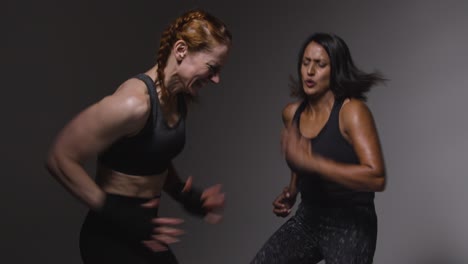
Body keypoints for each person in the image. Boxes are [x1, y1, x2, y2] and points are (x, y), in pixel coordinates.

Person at [45, 9, 231, 264]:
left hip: (142, 233)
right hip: (109, 237)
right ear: (180, 50)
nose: (217, 79)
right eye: (213, 67)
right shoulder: (134, 103)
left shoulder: (177, 99)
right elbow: (59, 157)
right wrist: (116, 212)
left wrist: (183, 194)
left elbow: (151, 156)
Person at [251, 32, 386, 264]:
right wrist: (292, 190)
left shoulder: (351, 112)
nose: (310, 72)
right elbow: (299, 158)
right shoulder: (292, 114)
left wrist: (314, 164)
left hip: (350, 222)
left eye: (320, 65)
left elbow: (376, 177)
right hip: (310, 217)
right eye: (306, 63)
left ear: (335, 70)